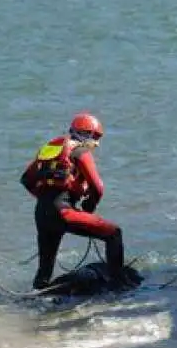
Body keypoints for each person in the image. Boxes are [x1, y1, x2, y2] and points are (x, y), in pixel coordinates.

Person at [21, 113, 129, 290]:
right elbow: (98, 188)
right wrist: (89, 206)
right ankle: (119, 287)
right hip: (63, 212)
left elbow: (26, 180)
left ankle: (37, 300)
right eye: (96, 137)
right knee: (114, 234)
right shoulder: (80, 151)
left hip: (41, 213)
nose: (97, 143)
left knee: (44, 271)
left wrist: (45, 198)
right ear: (85, 135)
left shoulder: (51, 150)